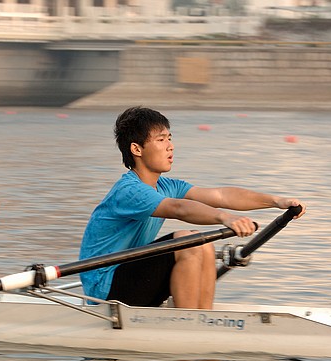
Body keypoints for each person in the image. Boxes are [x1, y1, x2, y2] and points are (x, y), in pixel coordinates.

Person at [79, 106, 305, 310]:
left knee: (201, 243)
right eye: (161, 140)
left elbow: (221, 196)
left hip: (132, 279)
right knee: (187, 241)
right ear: (137, 149)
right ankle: (188, 324)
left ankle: (202, 317)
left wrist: (277, 201)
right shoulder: (129, 191)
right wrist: (225, 218)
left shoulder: (167, 186)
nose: (170, 146)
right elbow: (178, 208)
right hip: (104, 290)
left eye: (169, 138)